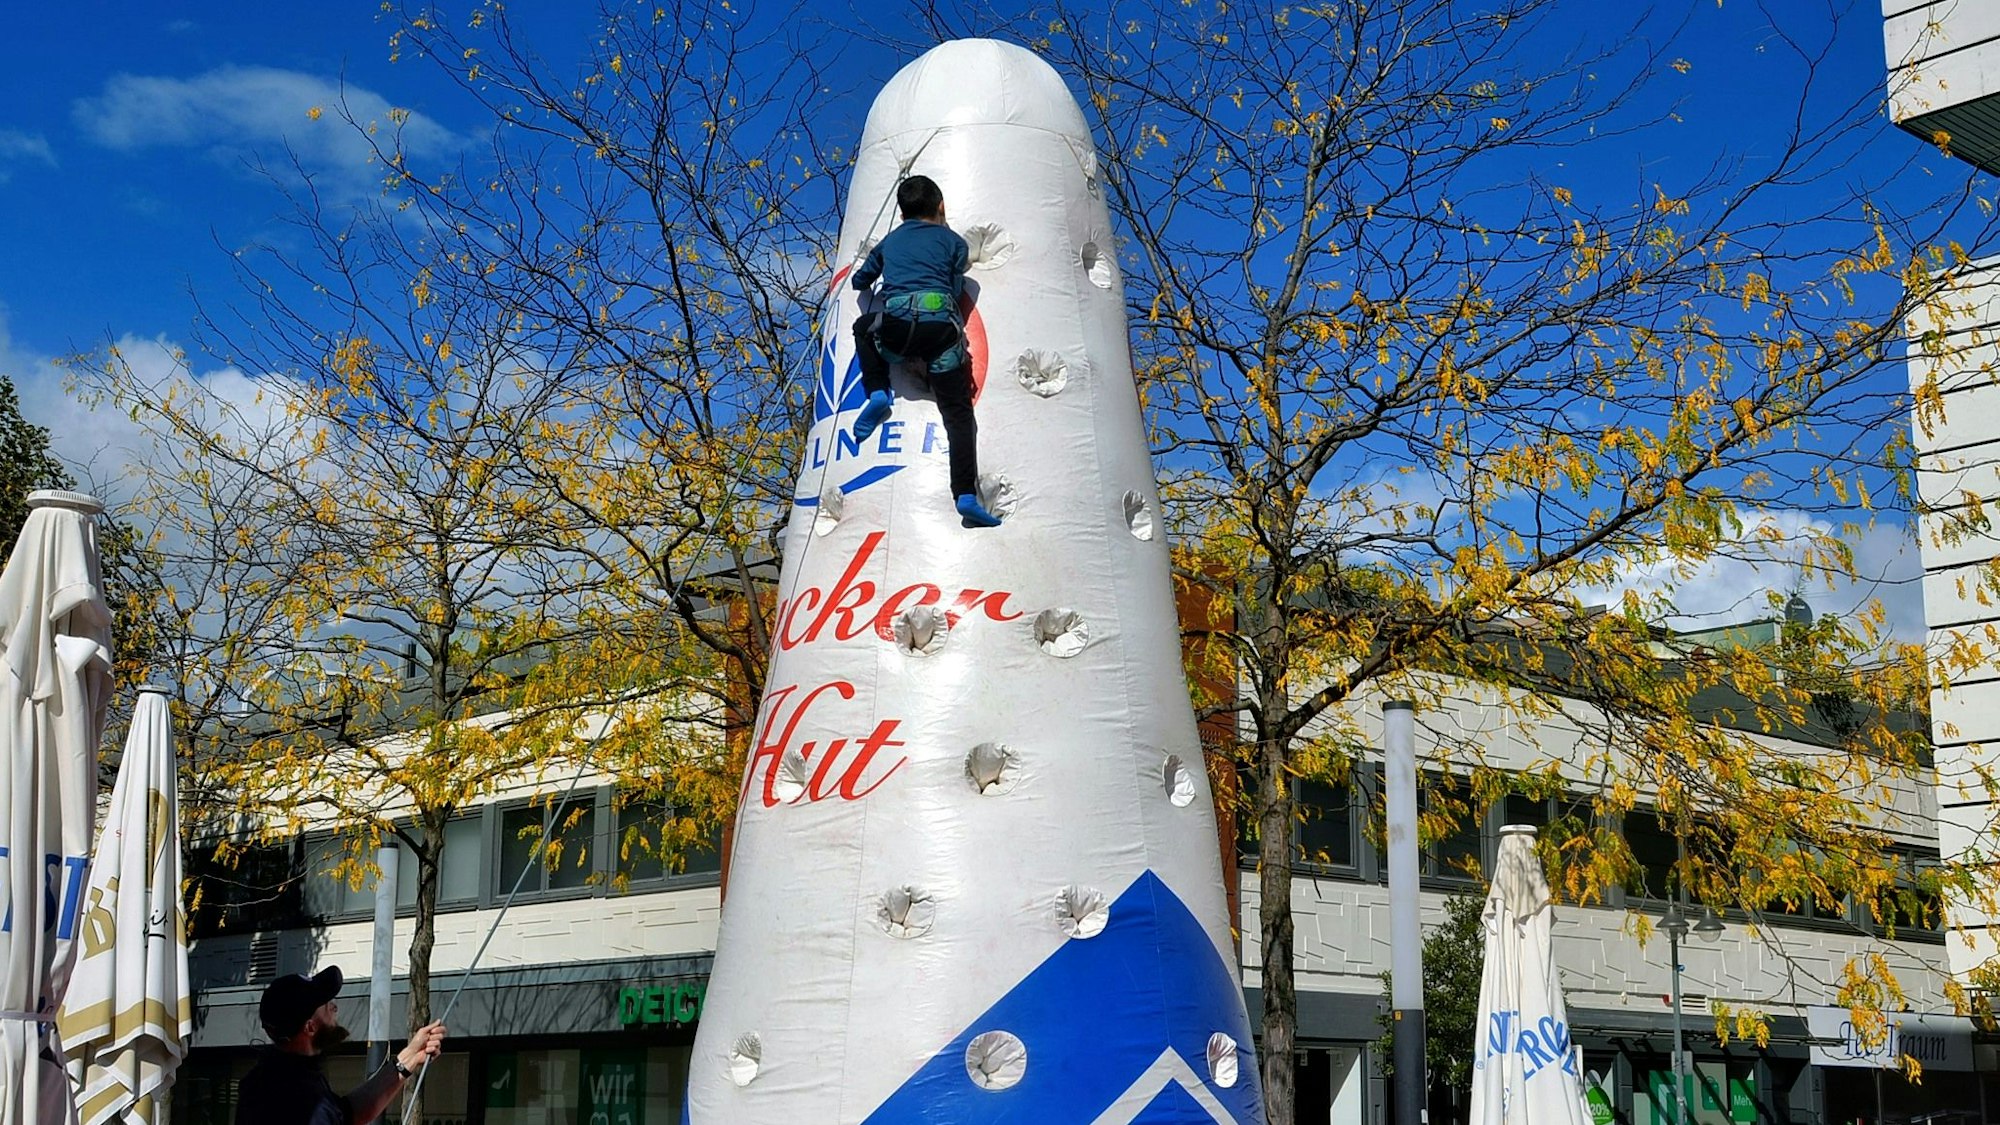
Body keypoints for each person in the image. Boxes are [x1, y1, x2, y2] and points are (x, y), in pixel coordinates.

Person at [849, 174, 1002, 528]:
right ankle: (965, 494)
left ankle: (876, 394)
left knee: (863, 329)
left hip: (899, 329)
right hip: (941, 332)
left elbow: (860, 280)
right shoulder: (952, 241)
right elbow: (958, 272)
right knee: (958, 414)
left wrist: (874, 274)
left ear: (901, 213)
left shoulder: (889, 242)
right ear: (942, 207)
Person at [235, 965, 447, 1125]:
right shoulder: (300, 1096)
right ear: (309, 1027)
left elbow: (348, 1112)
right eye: (326, 1005)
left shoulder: (271, 1079)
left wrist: (408, 1058)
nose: (334, 1008)